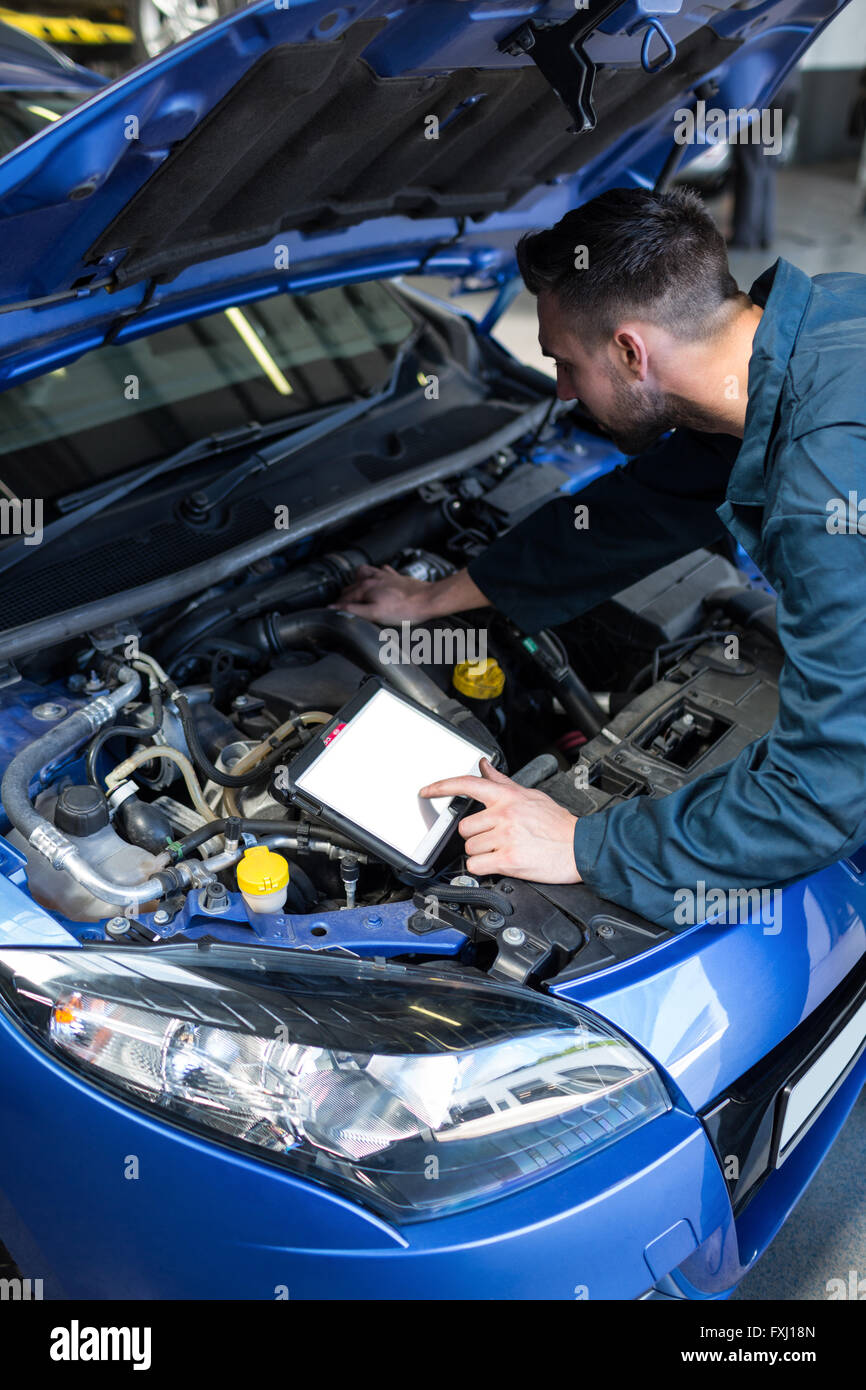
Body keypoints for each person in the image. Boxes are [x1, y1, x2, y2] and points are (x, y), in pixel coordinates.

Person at [333, 187, 866, 930]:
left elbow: (824, 791)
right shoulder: (819, 324)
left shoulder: (823, 485)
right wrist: (435, 598)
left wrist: (583, 843)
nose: (559, 390)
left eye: (564, 363)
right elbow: (643, 505)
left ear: (629, 350)